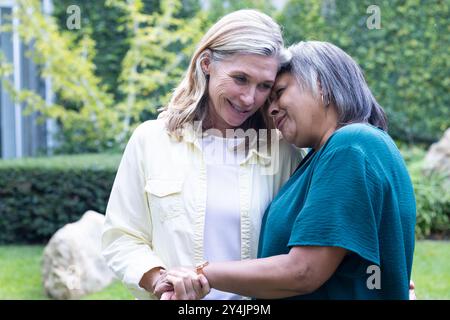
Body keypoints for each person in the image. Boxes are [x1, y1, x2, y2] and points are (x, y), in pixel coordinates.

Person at [156, 41, 417, 300]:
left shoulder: (351, 145)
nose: (270, 107)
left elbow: (303, 271)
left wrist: (201, 273)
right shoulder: (324, 156)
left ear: (320, 84)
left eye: (279, 92)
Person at [101, 9, 303, 300]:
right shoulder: (150, 140)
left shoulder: (282, 152)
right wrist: (159, 279)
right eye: (240, 78)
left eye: (264, 86)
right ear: (207, 63)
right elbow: (121, 236)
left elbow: (293, 255)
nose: (249, 98)